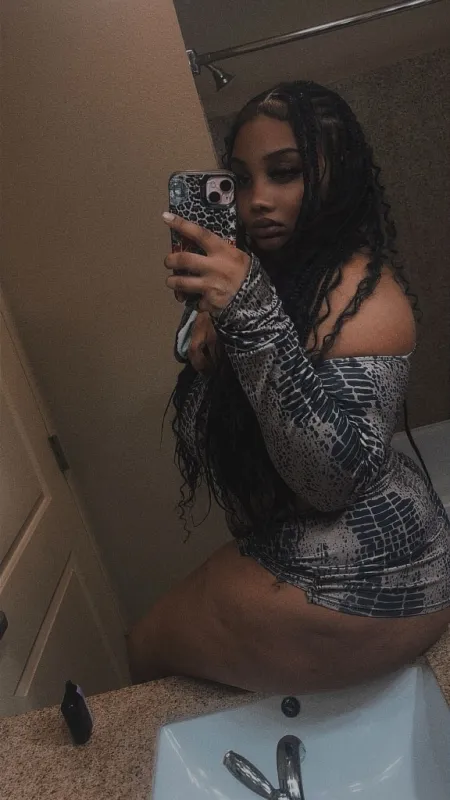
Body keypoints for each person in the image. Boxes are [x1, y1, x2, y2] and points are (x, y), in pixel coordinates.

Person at [127, 81, 450, 692]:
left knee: (144, 650)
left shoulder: (369, 302)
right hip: (298, 542)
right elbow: (219, 371)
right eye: (242, 179)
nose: (258, 201)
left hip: (377, 578)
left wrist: (247, 313)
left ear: (338, 174)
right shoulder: (281, 272)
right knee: (151, 652)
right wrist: (213, 317)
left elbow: (329, 481)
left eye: (286, 173)